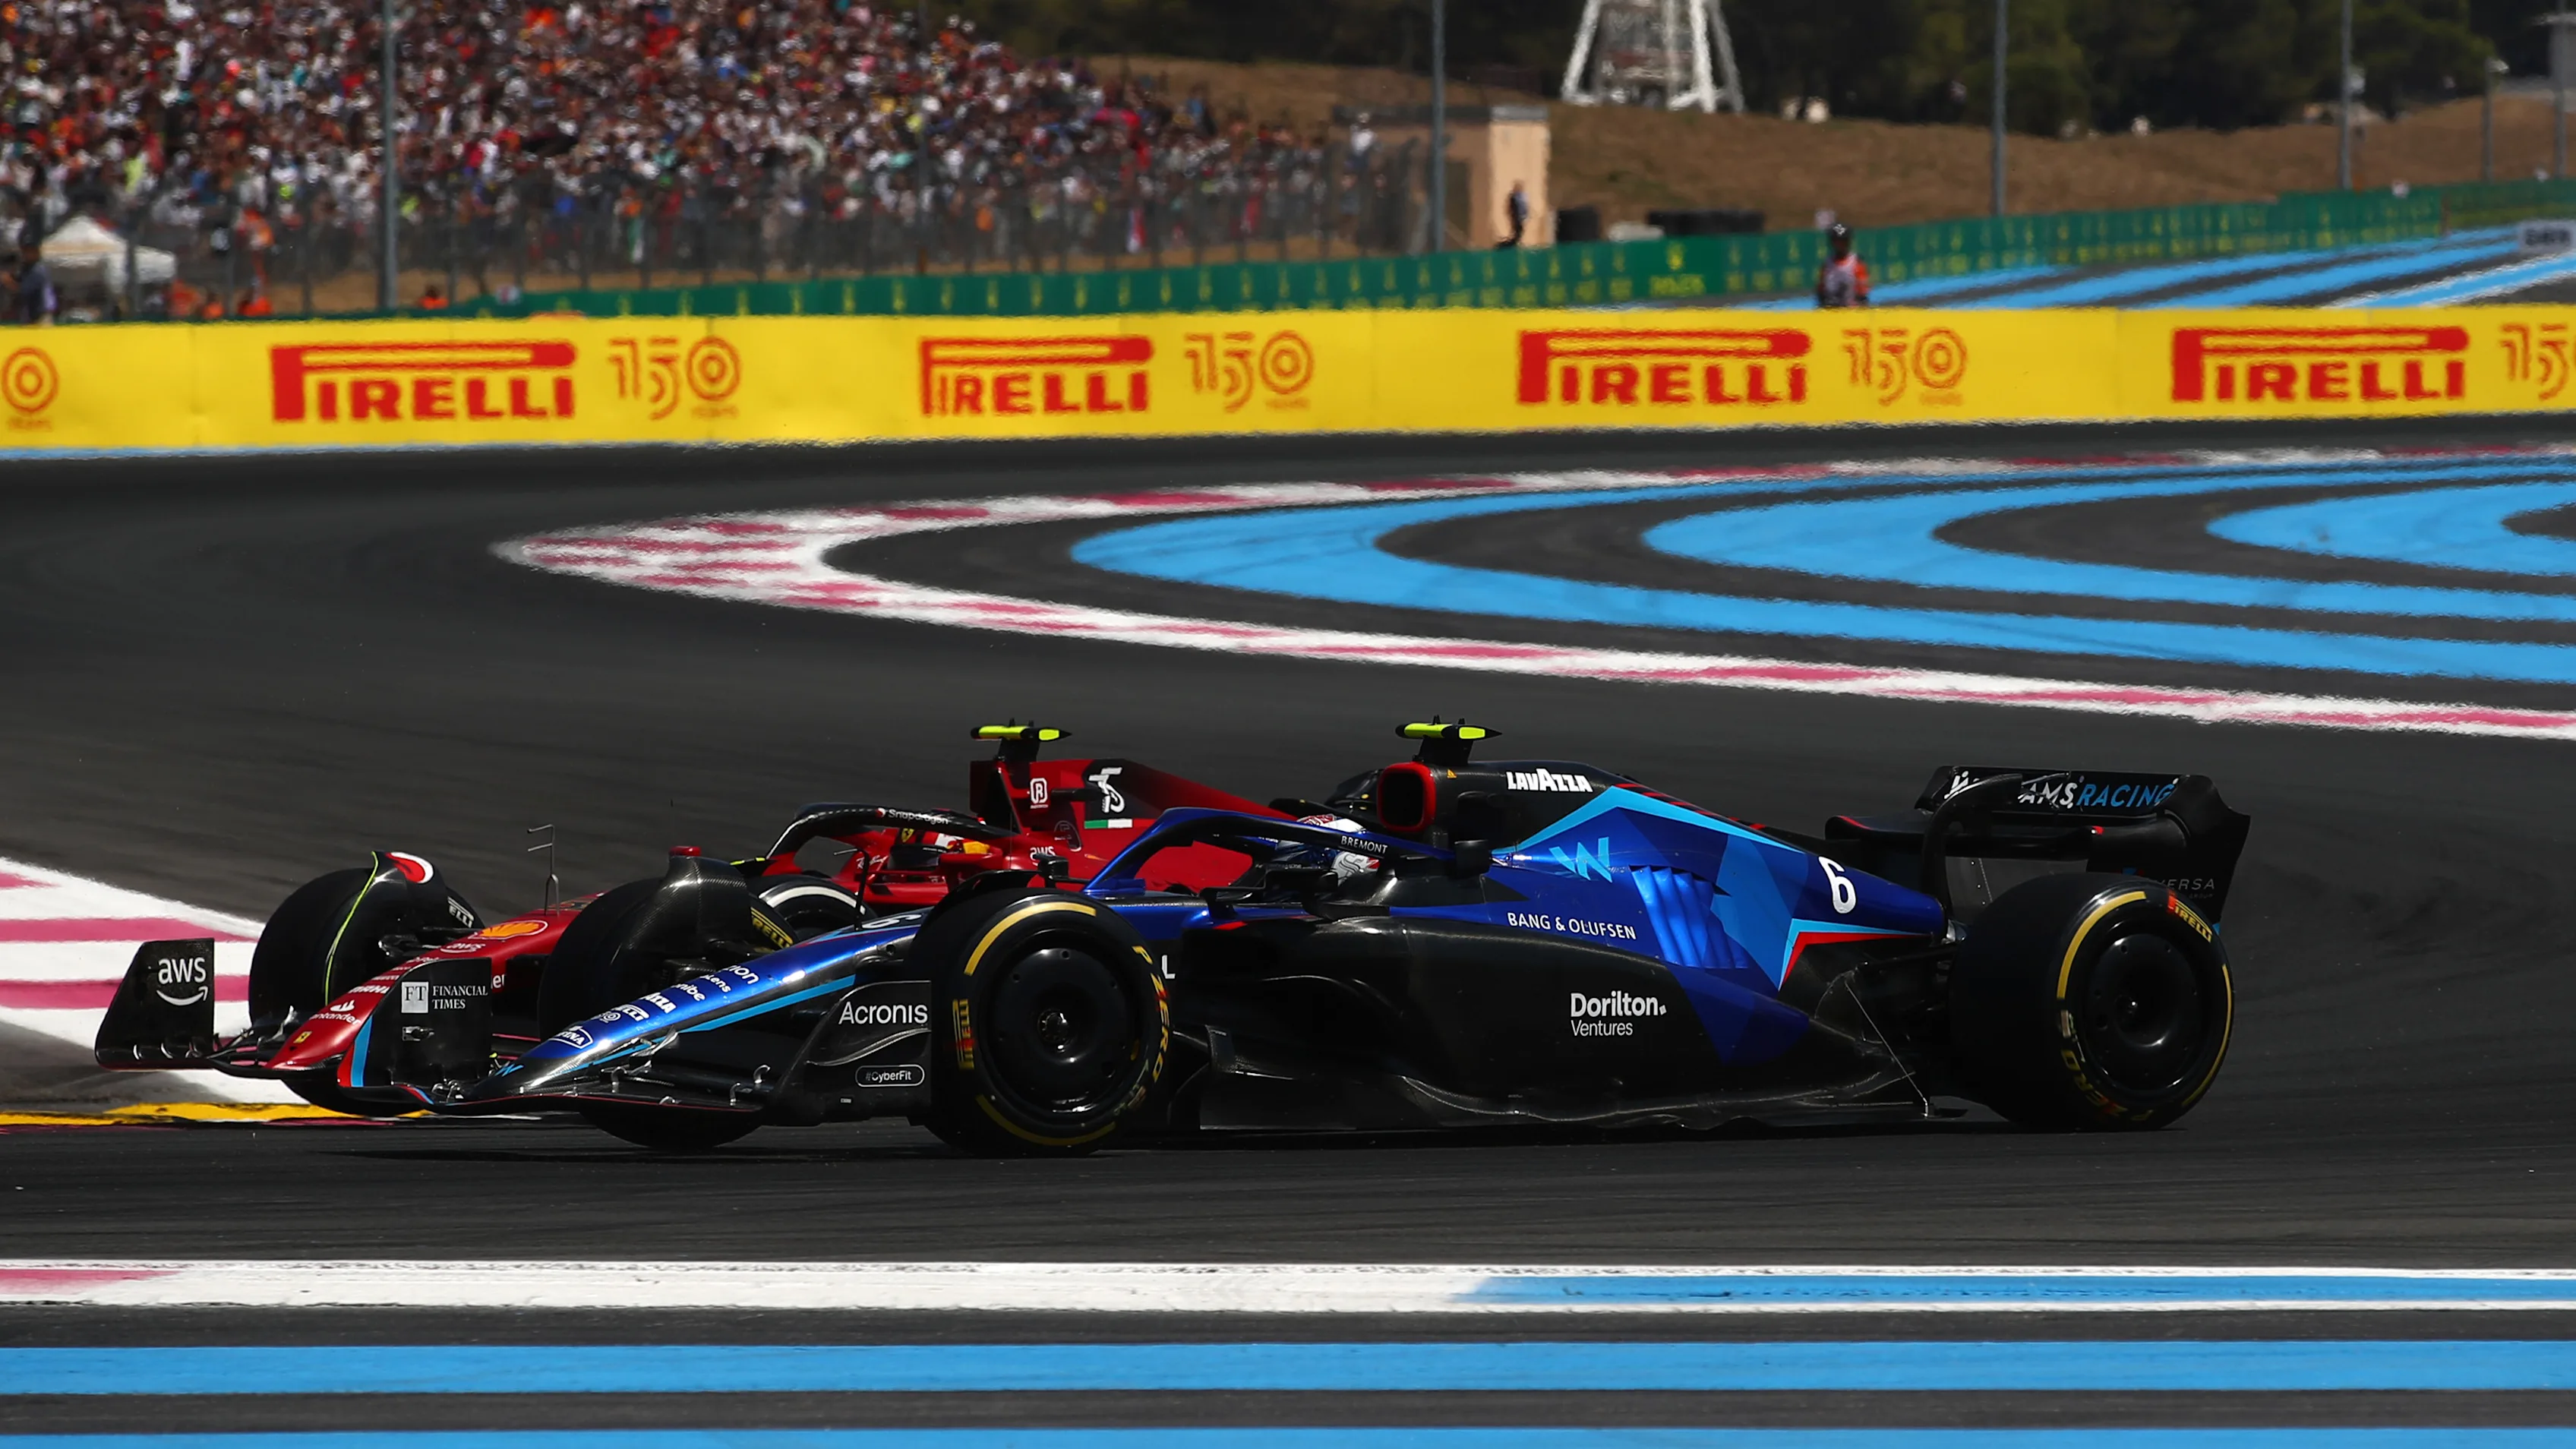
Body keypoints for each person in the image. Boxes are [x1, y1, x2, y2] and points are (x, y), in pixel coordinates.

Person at [1815, 222, 1870, 309]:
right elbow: (1821, 290)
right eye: (1836, 242)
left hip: (1851, 311)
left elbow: (1863, 293)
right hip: (1830, 310)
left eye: (1843, 242)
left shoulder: (1856, 263)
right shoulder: (1827, 264)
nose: (1839, 245)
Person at [14, 245, 55, 326]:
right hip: (30, 314)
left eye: (29, 252)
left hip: (41, 315)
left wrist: (7, 280)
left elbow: (24, 289)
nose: (25, 255)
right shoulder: (26, 268)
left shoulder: (38, 269)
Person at [1498, 181, 1529, 248]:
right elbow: (1512, 208)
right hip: (1516, 217)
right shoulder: (1515, 197)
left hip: (1519, 217)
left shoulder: (1522, 196)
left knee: (1518, 232)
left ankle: (1514, 243)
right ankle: (1511, 244)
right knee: (1517, 231)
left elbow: (1524, 208)